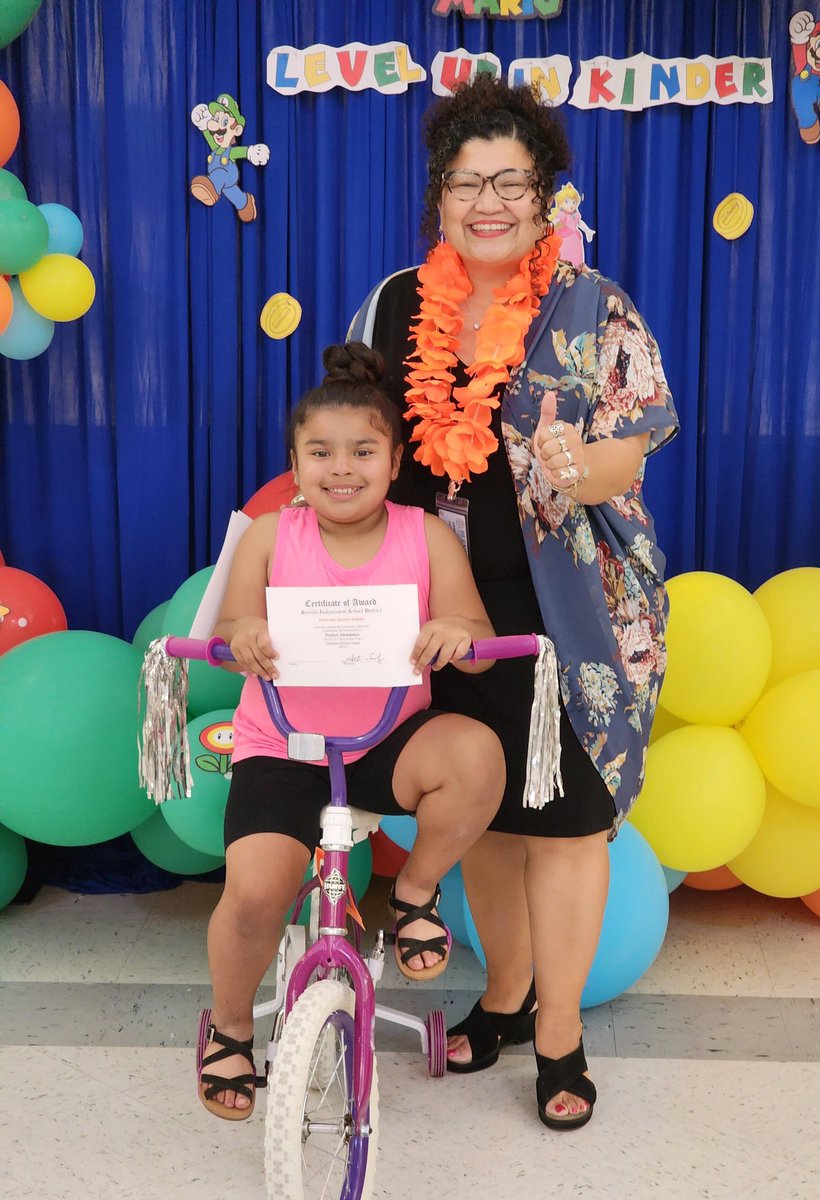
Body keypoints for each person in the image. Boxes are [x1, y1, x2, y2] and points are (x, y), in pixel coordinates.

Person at [349, 75, 678, 1131]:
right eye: (465, 181)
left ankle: (560, 1035)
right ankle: (499, 998)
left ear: (545, 198)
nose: (487, 201)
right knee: (484, 809)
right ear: (439, 195)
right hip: (434, 612)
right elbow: (356, 437)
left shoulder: (595, 306)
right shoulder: (399, 303)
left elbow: (632, 445)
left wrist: (581, 464)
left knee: (571, 825)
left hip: (570, 610)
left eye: (511, 181)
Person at [198, 342, 505, 1120]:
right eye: (320, 452)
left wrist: (453, 633)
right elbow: (233, 621)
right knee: (256, 893)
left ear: (395, 460)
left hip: (384, 746)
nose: (343, 468)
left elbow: (473, 635)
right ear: (295, 466)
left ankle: (413, 891)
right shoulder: (270, 535)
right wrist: (242, 636)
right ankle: (232, 1029)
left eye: (363, 450)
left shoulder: (426, 535)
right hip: (285, 746)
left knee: (475, 753)